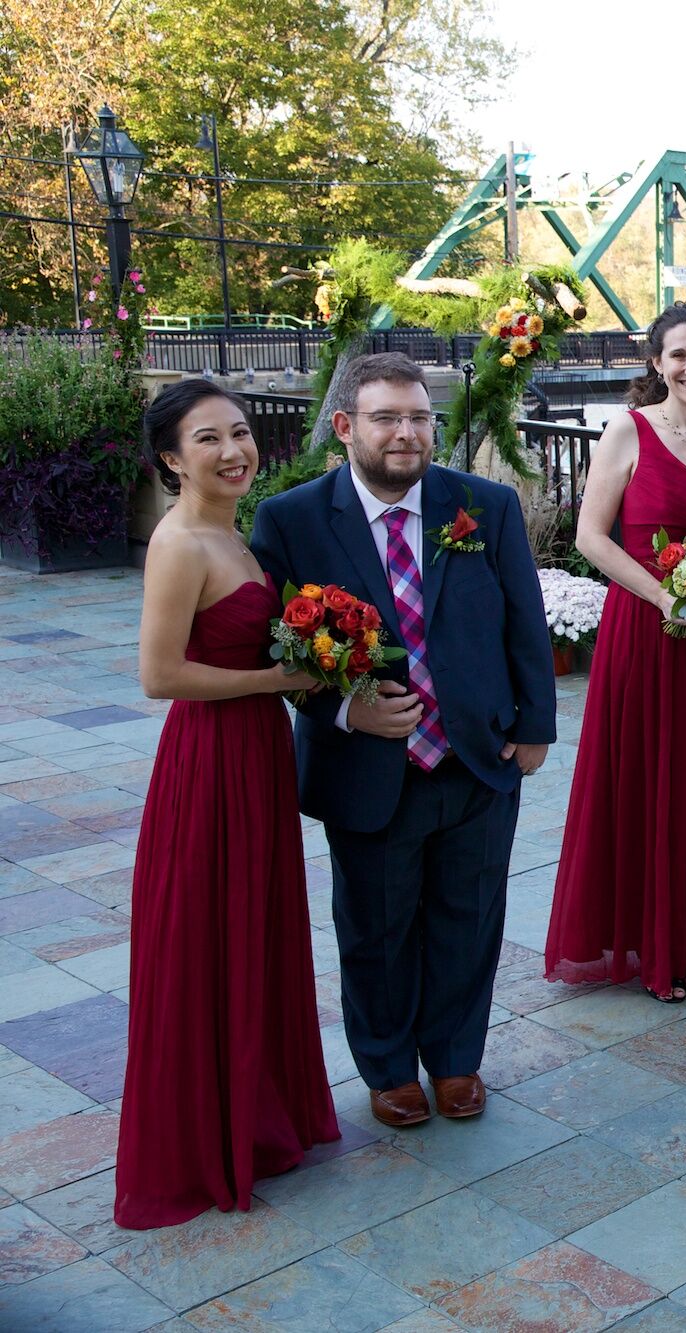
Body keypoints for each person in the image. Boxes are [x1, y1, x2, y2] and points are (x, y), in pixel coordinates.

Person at [251, 352, 556, 1129]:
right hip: (367, 766)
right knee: (376, 928)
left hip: (478, 759)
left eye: (419, 417)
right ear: (346, 426)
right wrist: (346, 712)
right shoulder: (290, 522)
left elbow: (525, 619)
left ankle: (456, 1060)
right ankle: (388, 1068)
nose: (406, 433)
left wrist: (535, 728)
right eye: (387, 418)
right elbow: (273, 648)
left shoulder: (482, 506)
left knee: (470, 914)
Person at [116, 380, 339, 1228]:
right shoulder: (178, 543)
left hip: (254, 756)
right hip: (209, 762)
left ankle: (255, 1118)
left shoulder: (233, 529)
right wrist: (281, 678)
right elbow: (159, 675)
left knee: (253, 932)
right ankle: (207, 1138)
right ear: (172, 459)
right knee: (212, 936)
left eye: (241, 432)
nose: (233, 450)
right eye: (208, 438)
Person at [543, 305, 686, 1001]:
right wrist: (665, 597)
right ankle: (651, 943)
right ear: (657, 364)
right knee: (648, 780)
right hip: (645, 636)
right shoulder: (627, 431)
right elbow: (591, 537)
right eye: (679, 356)